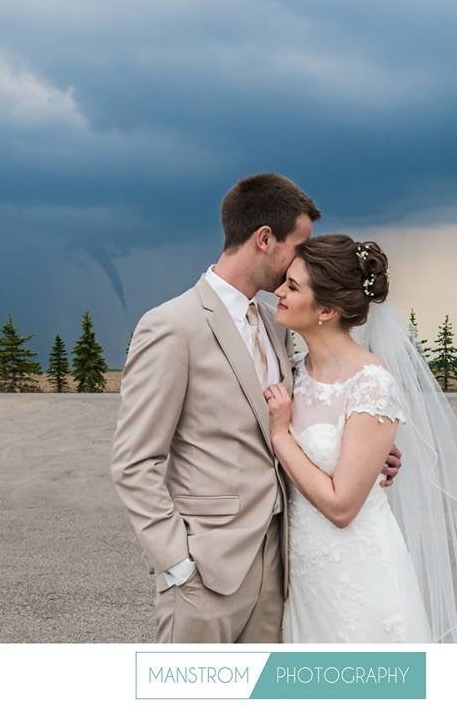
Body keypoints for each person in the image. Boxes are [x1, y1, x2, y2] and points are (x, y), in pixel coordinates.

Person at [110, 174, 403, 643]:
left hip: (283, 568)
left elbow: (306, 413)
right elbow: (134, 461)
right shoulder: (172, 326)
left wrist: (362, 452)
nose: (303, 258)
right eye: (300, 244)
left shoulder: (278, 323)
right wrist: (177, 564)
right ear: (265, 239)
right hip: (206, 572)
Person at [267, 233, 457, 643]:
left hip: (357, 571)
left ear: (328, 310)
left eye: (293, 286)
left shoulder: (372, 384)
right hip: (301, 575)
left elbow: (341, 506)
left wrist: (281, 436)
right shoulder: (291, 372)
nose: (279, 291)